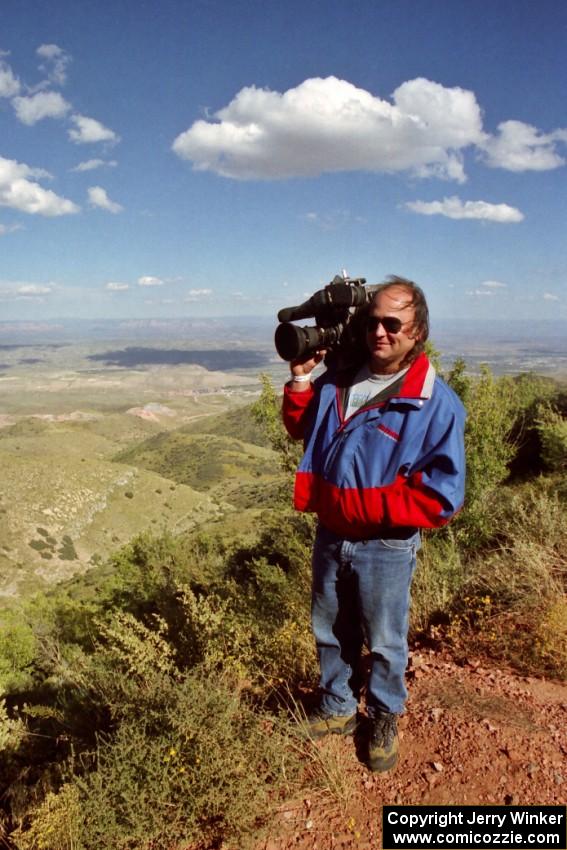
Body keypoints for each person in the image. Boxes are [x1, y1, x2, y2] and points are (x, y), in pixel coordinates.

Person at [281, 276, 466, 773]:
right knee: (330, 628)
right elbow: (302, 426)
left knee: (385, 639)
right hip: (331, 533)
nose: (380, 333)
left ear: (418, 331)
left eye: (394, 324)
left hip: (386, 543)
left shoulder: (434, 402)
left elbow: (442, 496)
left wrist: (366, 508)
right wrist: (301, 379)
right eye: (373, 322)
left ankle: (384, 715)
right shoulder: (342, 378)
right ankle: (338, 707)